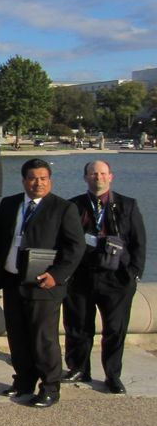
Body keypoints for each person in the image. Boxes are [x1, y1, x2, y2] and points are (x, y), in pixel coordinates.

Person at [0, 159, 84, 408]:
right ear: (24, 181)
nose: (38, 183)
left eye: (43, 178)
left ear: (49, 180)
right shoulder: (9, 204)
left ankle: (50, 387)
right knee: (17, 336)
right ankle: (23, 382)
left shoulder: (63, 208)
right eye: (32, 178)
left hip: (44, 285)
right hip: (13, 280)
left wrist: (57, 274)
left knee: (43, 338)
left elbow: (75, 247)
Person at [62, 161, 146, 393]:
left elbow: (139, 242)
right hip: (81, 277)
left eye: (102, 174)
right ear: (85, 178)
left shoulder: (127, 205)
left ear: (111, 177)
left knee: (115, 328)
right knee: (77, 325)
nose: (97, 178)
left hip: (117, 278)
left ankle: (112, 375)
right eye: (92, 174)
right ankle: (78, 368)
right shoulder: (73, 206)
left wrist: (134, 274)